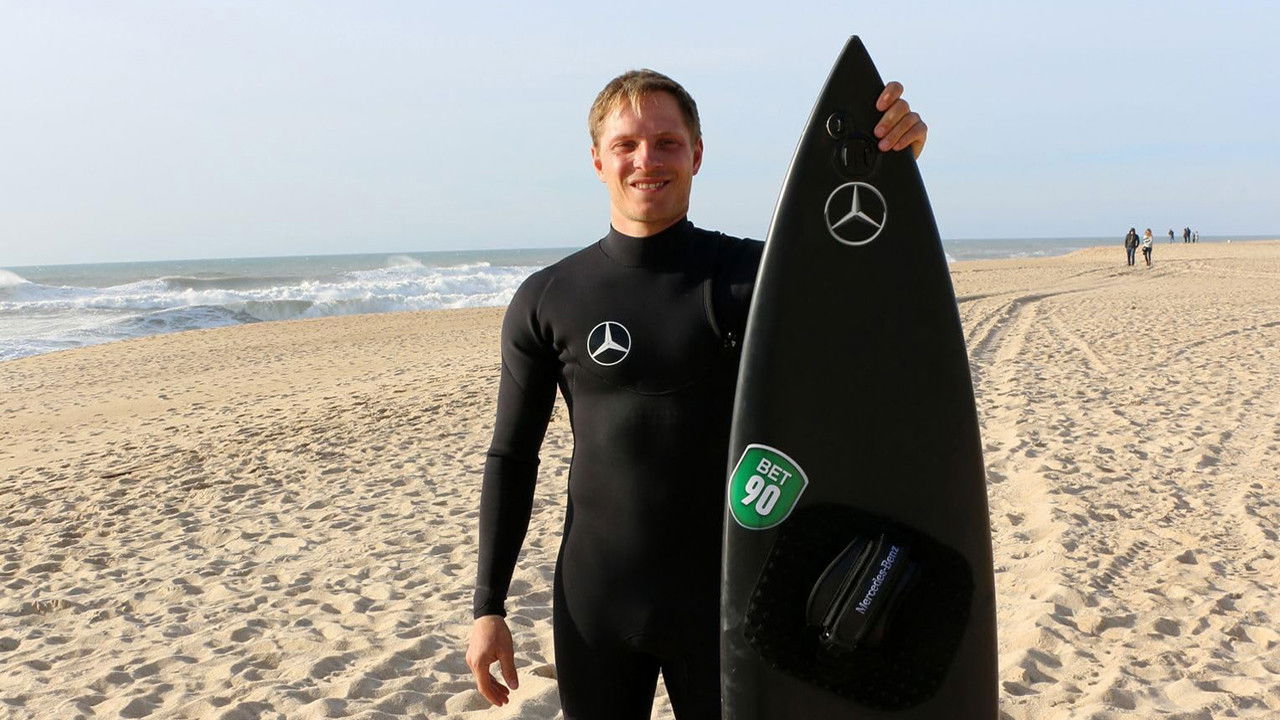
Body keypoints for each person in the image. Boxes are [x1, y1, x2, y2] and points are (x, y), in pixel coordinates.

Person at [465, 69, 928, 719]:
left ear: (697, 154)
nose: (645, 160)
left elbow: (868, 279)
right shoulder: (547, 300)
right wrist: (489, 607)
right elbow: (512, 458)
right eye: (625, 144)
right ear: (597, 159)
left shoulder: (755, 277)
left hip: (730, 604)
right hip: (596, 606)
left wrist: (893, 170)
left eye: (666, 142)